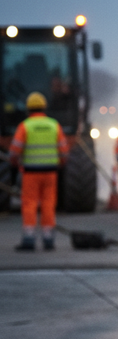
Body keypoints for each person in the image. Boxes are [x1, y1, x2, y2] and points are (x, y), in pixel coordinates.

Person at [7, 92, 68, 251]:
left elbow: (14, 151)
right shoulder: (54, 125)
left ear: (28, 109)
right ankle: (48, 239)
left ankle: (29, 238)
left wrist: (15, 163)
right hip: (50, 173)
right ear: (44, 108)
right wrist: (60, 164)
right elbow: (64, 151)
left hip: (31, 173)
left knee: (29, 203)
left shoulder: (25, 126)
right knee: (48, 203)